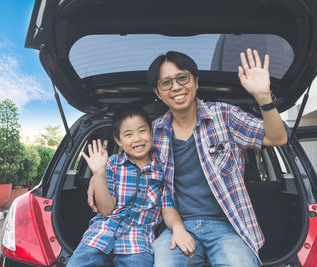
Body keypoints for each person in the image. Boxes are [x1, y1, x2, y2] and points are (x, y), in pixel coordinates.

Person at [89, 49, 287, 266]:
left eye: (182, 78)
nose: (176, 87)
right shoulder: (153, 133)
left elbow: (277, 137)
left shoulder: (224, 116)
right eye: (166, 83)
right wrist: (97, 176)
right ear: (158, 91)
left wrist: (263, 97)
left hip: (230, 227)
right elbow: (130, 163)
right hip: (177, 226)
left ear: (195, 81)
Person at [67, 108, 169, 267]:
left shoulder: (163, 168)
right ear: (119, 140)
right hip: (101, 233)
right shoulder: (113, 163)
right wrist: (99, 174)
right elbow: (106, 210)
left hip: (138, 239)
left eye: (142, 131)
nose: (137, 139)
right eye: (128, 135)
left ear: (151, 132)